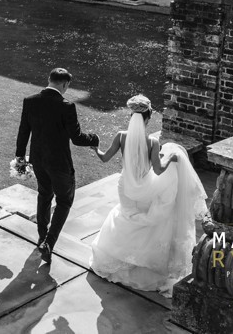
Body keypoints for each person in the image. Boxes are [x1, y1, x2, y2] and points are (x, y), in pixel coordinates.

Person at [88, 94, 208, 297]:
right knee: (144, 223)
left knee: (126, 217)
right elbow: (159, 170)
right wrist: (171, 157)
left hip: (125, 187)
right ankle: (139, 261)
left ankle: (119, 258)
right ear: (148, 118)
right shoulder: (152, 142)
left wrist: (95, 148)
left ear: (131, 116)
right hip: (144, 188)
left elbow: (105, 158)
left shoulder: (120, 136)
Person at [15, 67, 99, 264]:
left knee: (44, 195)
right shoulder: (66, 106)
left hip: (38, 160)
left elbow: (23, 131)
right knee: (64, 201)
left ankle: (41, 236)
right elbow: (77, 138)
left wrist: (20, 157)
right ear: (65, 84)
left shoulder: (30, 101)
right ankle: (49, 243)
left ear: (49, 79)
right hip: (59, 163)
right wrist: (94, 138)